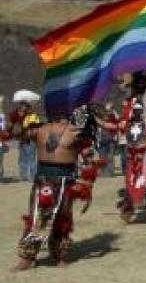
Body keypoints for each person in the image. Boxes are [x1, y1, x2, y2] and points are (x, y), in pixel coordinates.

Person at [14, 105, 102, 270]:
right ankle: (28, 256)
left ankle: (59, 255)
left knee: (62, 218)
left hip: (65, 180)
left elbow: (89, 158)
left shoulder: (77, 132)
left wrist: (86, 182)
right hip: (42, 179)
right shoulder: (39, 129)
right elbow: (18, 134)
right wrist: (19, 116)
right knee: (36, 216)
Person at [10, 91, 41, 181]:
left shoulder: (33, 116)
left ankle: (32, 175)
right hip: (23, 139)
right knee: (22, 158)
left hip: (30, 140)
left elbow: (32, 127)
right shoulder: (21, 116)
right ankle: (23, 175)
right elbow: (15, 121)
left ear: (28, 107)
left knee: (31, 157)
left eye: (24, 106)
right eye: (21, 106)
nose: (22, 108)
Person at [96, 102, 118, 177]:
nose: (108, 111)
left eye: (109, 109)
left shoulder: (113, 117)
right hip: (101, 139)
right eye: (107, 109)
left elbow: (117, 123)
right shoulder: (99, 116)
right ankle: (103, 173)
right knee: (102, 157)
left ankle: (110, 173)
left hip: (110, 139)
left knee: (110, 157)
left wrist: (113, 111)